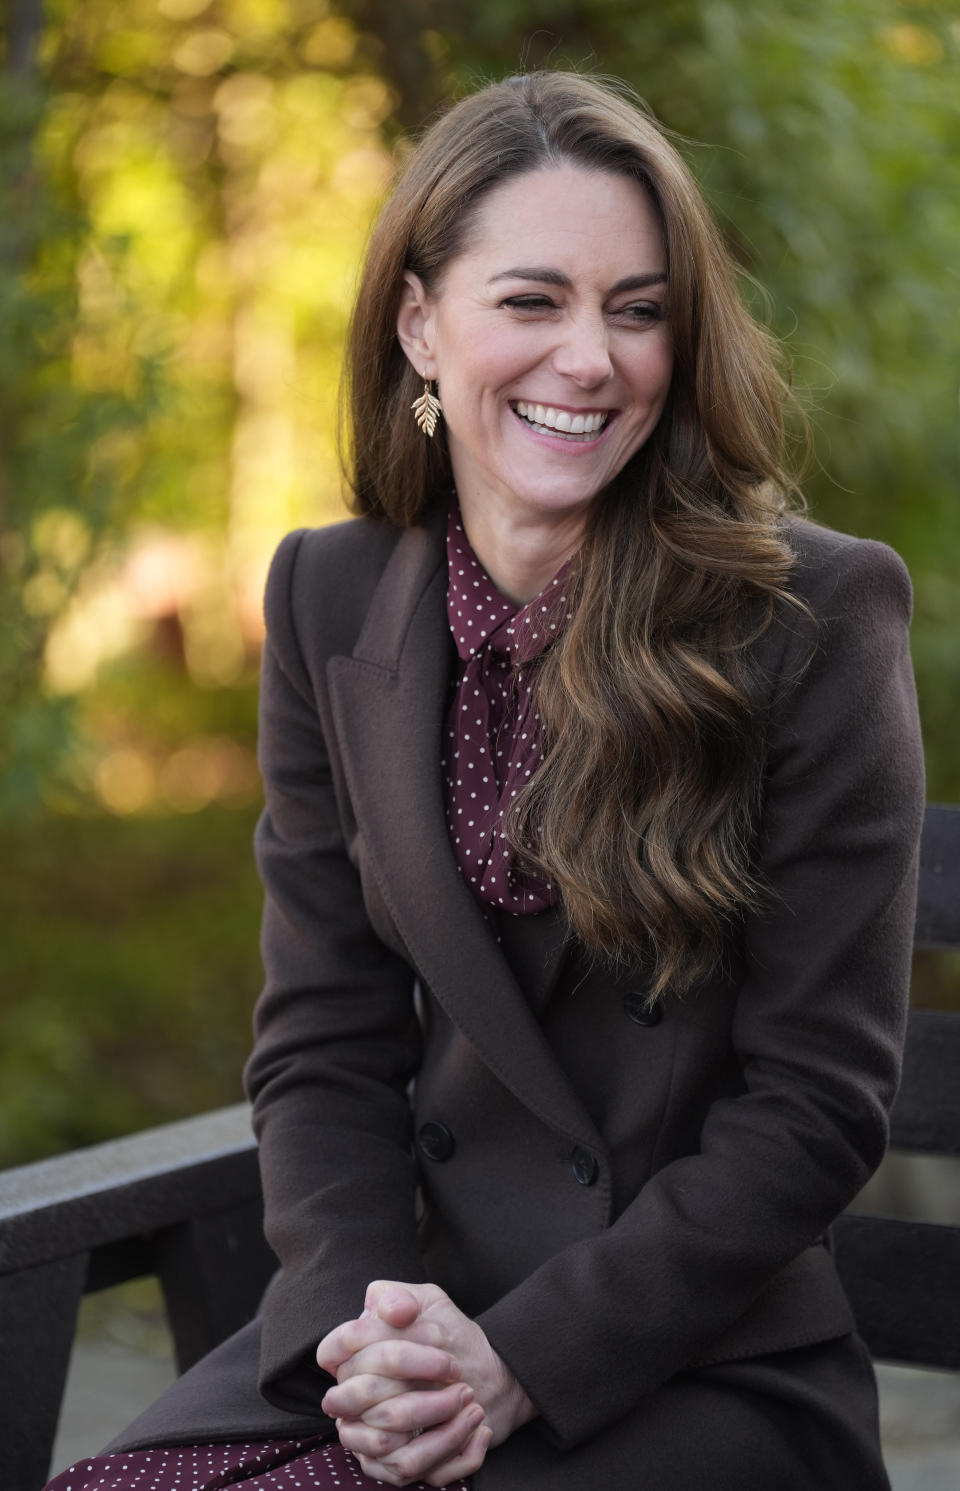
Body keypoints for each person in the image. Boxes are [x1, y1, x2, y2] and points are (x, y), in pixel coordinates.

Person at [46, 69, 925, 1491]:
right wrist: (366, 1336)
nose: (590, 358)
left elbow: (814, 1108)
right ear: (419, 327)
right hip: (403, 1322)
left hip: (673, 1358)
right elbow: (323, 1043)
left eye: (637, 311)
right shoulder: (331, 597)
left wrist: (519, 1366)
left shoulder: (811, 621)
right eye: (532, 301)